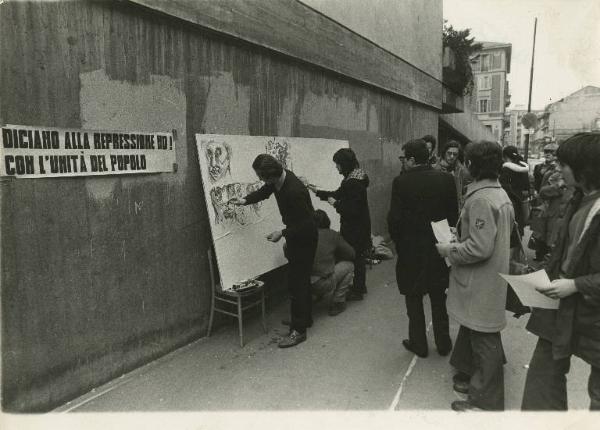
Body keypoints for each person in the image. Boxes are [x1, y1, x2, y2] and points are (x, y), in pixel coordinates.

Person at [521, 132, 600, 410]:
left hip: (588, 311)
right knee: (542, 378)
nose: (558, 169)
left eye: (563, 165)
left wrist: (575, 285)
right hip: (565, 308)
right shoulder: (579, 198)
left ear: (583, 168)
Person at [436, 140, 514, 411]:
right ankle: (471, 376)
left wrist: (449, 249)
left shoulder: (481, 199)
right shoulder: (497, 193)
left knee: (484, 334)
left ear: (471, 164)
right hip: (491, 275)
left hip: (481, 278)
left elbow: (479, 248)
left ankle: (485, 401)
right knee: (478, 328)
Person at [230, 154, 317, 348]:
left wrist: (282, 232)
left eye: (262, 177)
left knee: (297, 284)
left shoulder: (294, 190)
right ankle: (304, 319)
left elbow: (309, 224)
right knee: (301, 281)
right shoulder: (279, 180)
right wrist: (244, 200)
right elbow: (264, 191)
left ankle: (298, 331)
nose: (261, 180)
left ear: (271, 174)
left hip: (304, 238)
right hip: (297, 235)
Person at [388, 139, 458, 358]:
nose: (403, 162)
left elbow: (394, 220)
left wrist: (399, 244)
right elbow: (453, 215)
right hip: (438, 247)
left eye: (403, 158)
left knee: (414, 297)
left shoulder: (401, 182)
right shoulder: (446, 179)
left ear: (411, 159)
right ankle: (444, 343)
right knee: (439, 298)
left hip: (410, 250)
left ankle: (419, 344)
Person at [309, 148, 372, 301]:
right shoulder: (355, 177)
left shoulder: (353, 183)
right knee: (358, 256)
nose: (336, 167)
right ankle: (358, 287)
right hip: (360, 226)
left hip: (355, 227)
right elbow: (337, 193)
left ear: (344, 164)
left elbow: (351, 209)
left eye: (338, 164)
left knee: (355, 257)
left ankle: (357, 290)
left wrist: (336, 204)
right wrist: (315, 190)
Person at [310, 209, 355, 316]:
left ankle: (312, 298)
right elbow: (351, 254)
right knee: (349, 266)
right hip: (320, 284)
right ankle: (338, 301)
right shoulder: (332, 235)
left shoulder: (302, 235)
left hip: (301, 284)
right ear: (327, 221)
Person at [434, 140, 472, 212]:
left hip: (454, 209)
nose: (451, 156)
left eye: (455, 154)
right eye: (449, 153)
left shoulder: (463, 172)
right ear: (444, 153)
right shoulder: (435, 168)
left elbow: (467, 193)